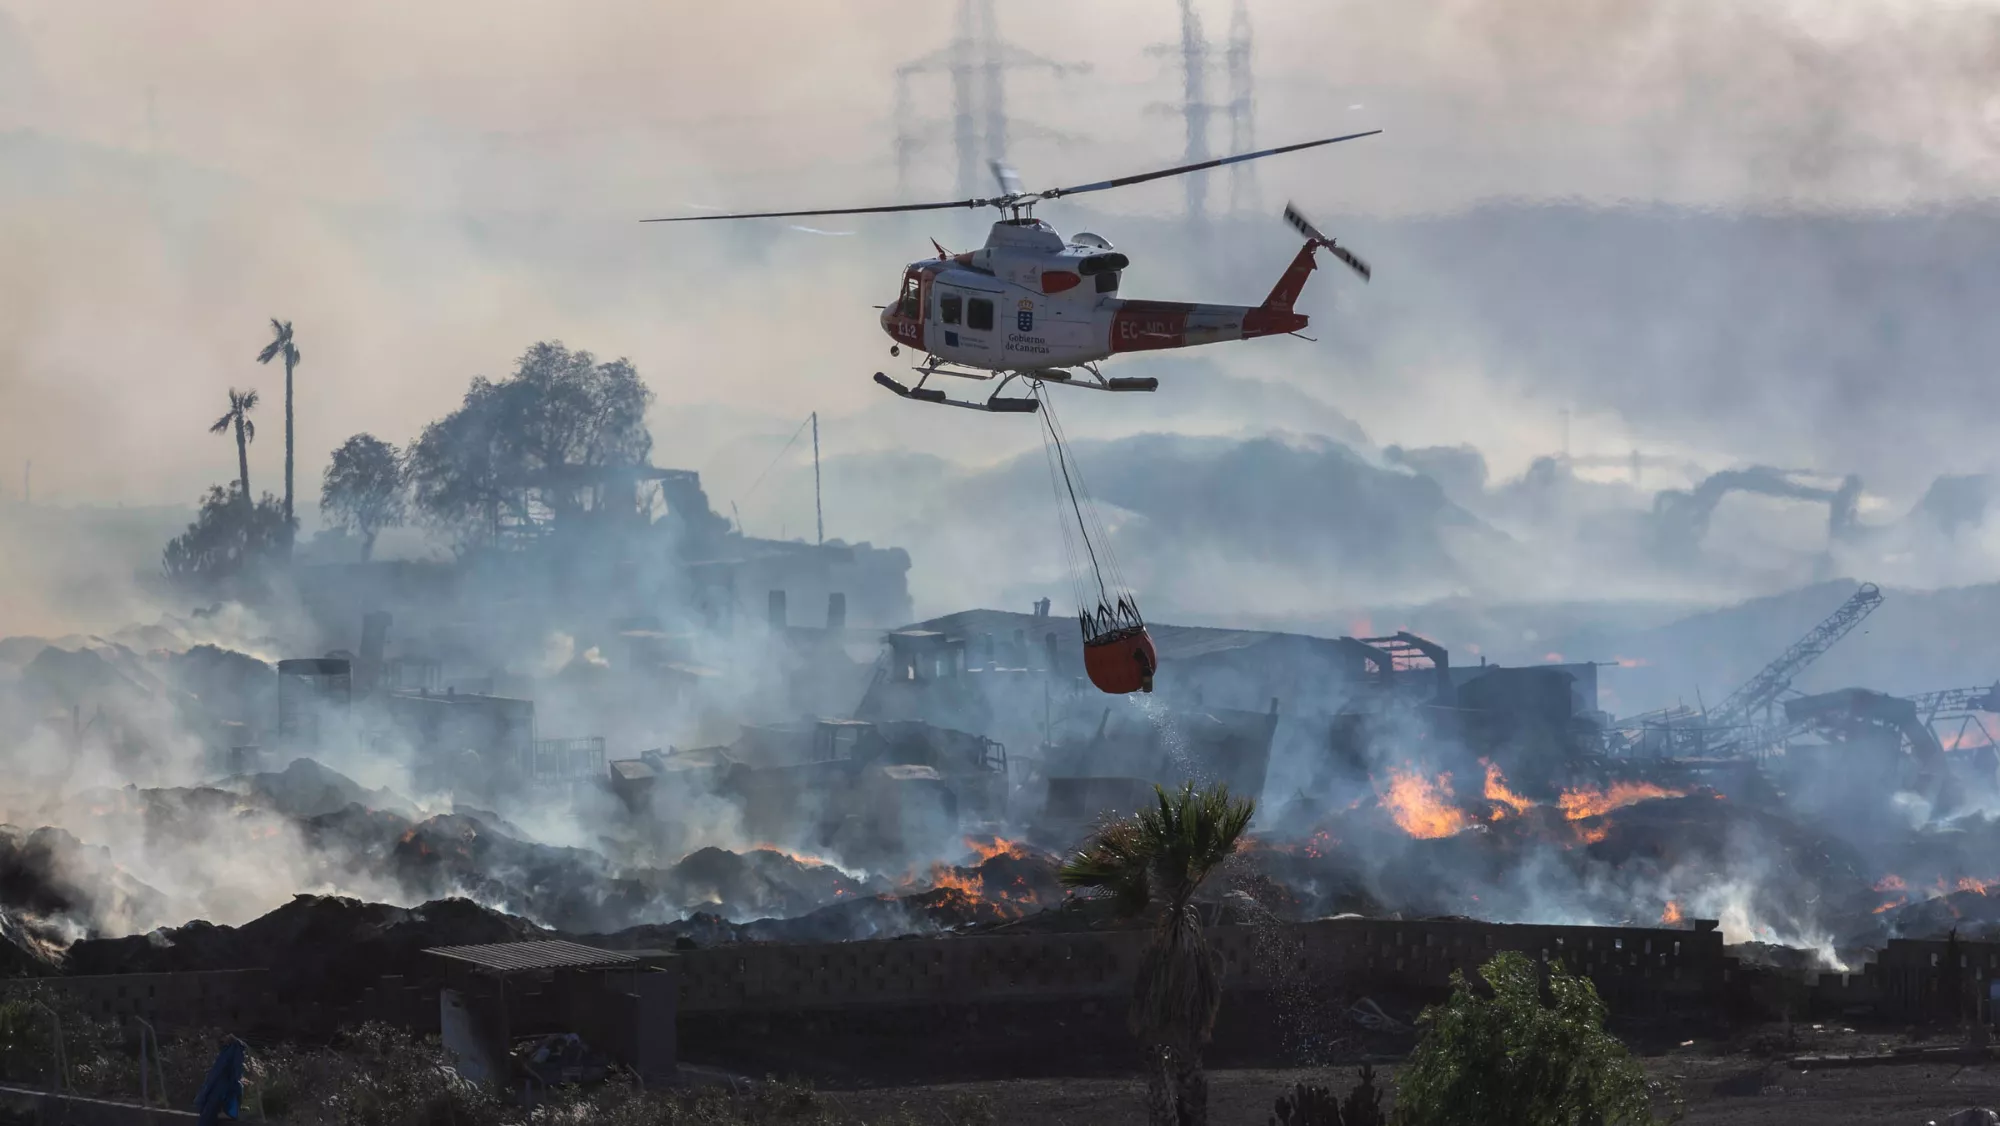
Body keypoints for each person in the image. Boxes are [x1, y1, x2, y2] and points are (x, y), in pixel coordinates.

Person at [194, 1034, 245, 1124]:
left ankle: (224, 1111)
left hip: (222, 1083)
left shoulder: (233, 1049)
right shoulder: (230, 1050)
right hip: (220, 1083)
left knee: (211, 1108)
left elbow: (232, 1068)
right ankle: (224, 1111)